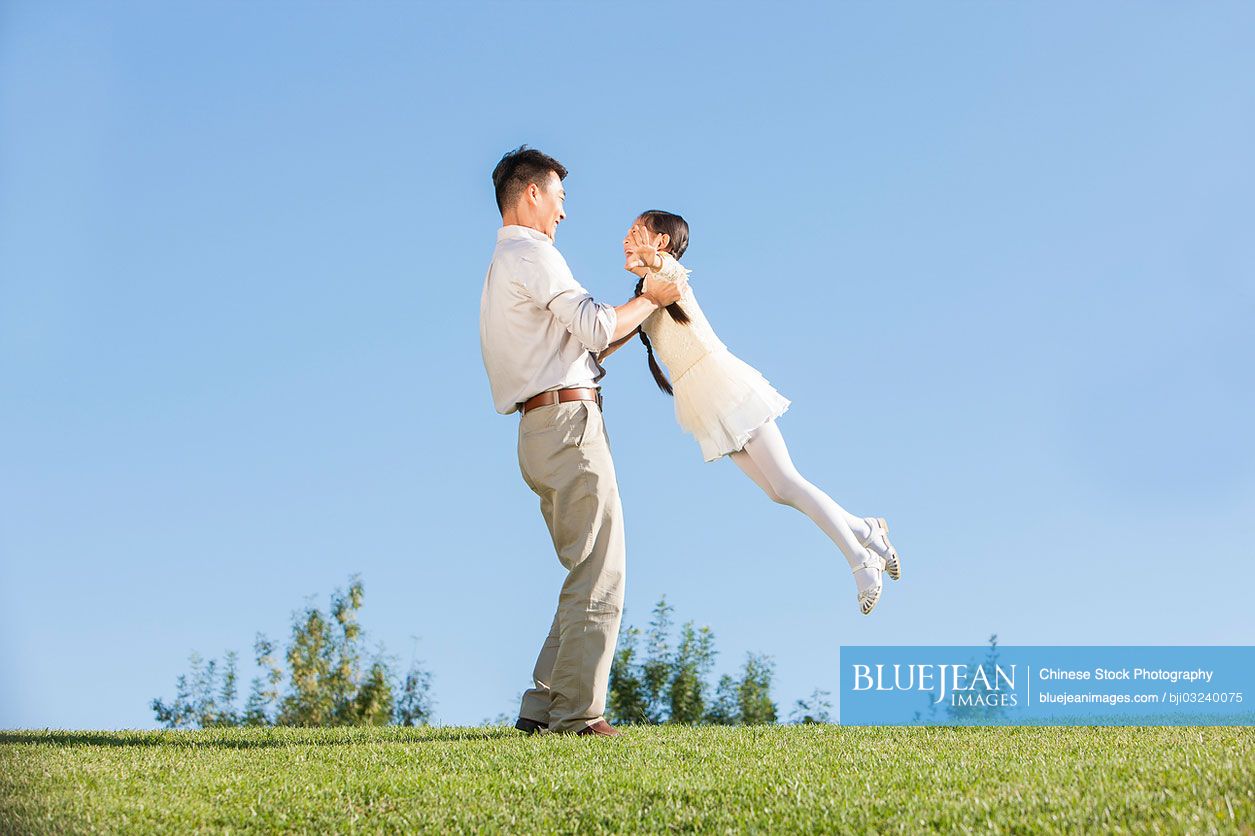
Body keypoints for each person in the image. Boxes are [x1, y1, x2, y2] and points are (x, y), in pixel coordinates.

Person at [599, 210, 902, 615]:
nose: (627, 238)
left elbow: (670, 273)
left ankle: (861, 559)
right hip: (702, 399)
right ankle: (869, 531)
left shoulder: (669, 275)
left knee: (789, 482)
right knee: (780, 491)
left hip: (722, 384)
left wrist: (651, 259)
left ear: (661, 243)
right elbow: (613, 335)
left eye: (637, 231)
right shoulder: (646, 294)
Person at [478, 149, 684, 736]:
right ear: (533, 194)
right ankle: (577, 715)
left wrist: (638, 313)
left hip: (539, 428)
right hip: (567, 428)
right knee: (603, 571)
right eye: (561, 198)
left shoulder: (504, 265)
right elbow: (595, 326)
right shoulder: (534, 255)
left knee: (584, 568)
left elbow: (582, 348)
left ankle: (543, 705)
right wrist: (652, 298)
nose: (565, 213)